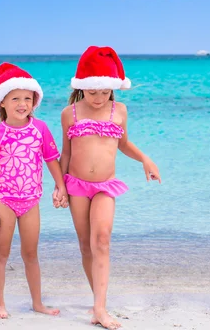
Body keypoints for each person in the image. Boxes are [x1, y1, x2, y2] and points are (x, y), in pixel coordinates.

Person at [56, 46, 161, 329]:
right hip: (76, 185)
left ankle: (100, 309)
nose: (100, 97)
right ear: (82, 88)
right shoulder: (70, 113)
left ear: (113, 89)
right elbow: (65, 154)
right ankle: (97, 303)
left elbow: (124, 144)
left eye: (105, 92)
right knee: (85, 246)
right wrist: (60, 187)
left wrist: (145, 159)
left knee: (101, 239)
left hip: (105, 186)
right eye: (93, 92)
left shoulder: (120, 110)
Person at [0, 62, 68, 319]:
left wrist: (60, 186)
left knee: (31, 253)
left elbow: (52, 159)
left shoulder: (40, 129)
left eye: (27, 98)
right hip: (4, 201)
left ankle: (37, 302)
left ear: (34, 101)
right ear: (2, 103)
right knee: (1, 253)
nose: (22, 104)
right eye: (15, 98)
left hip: (31, 201)